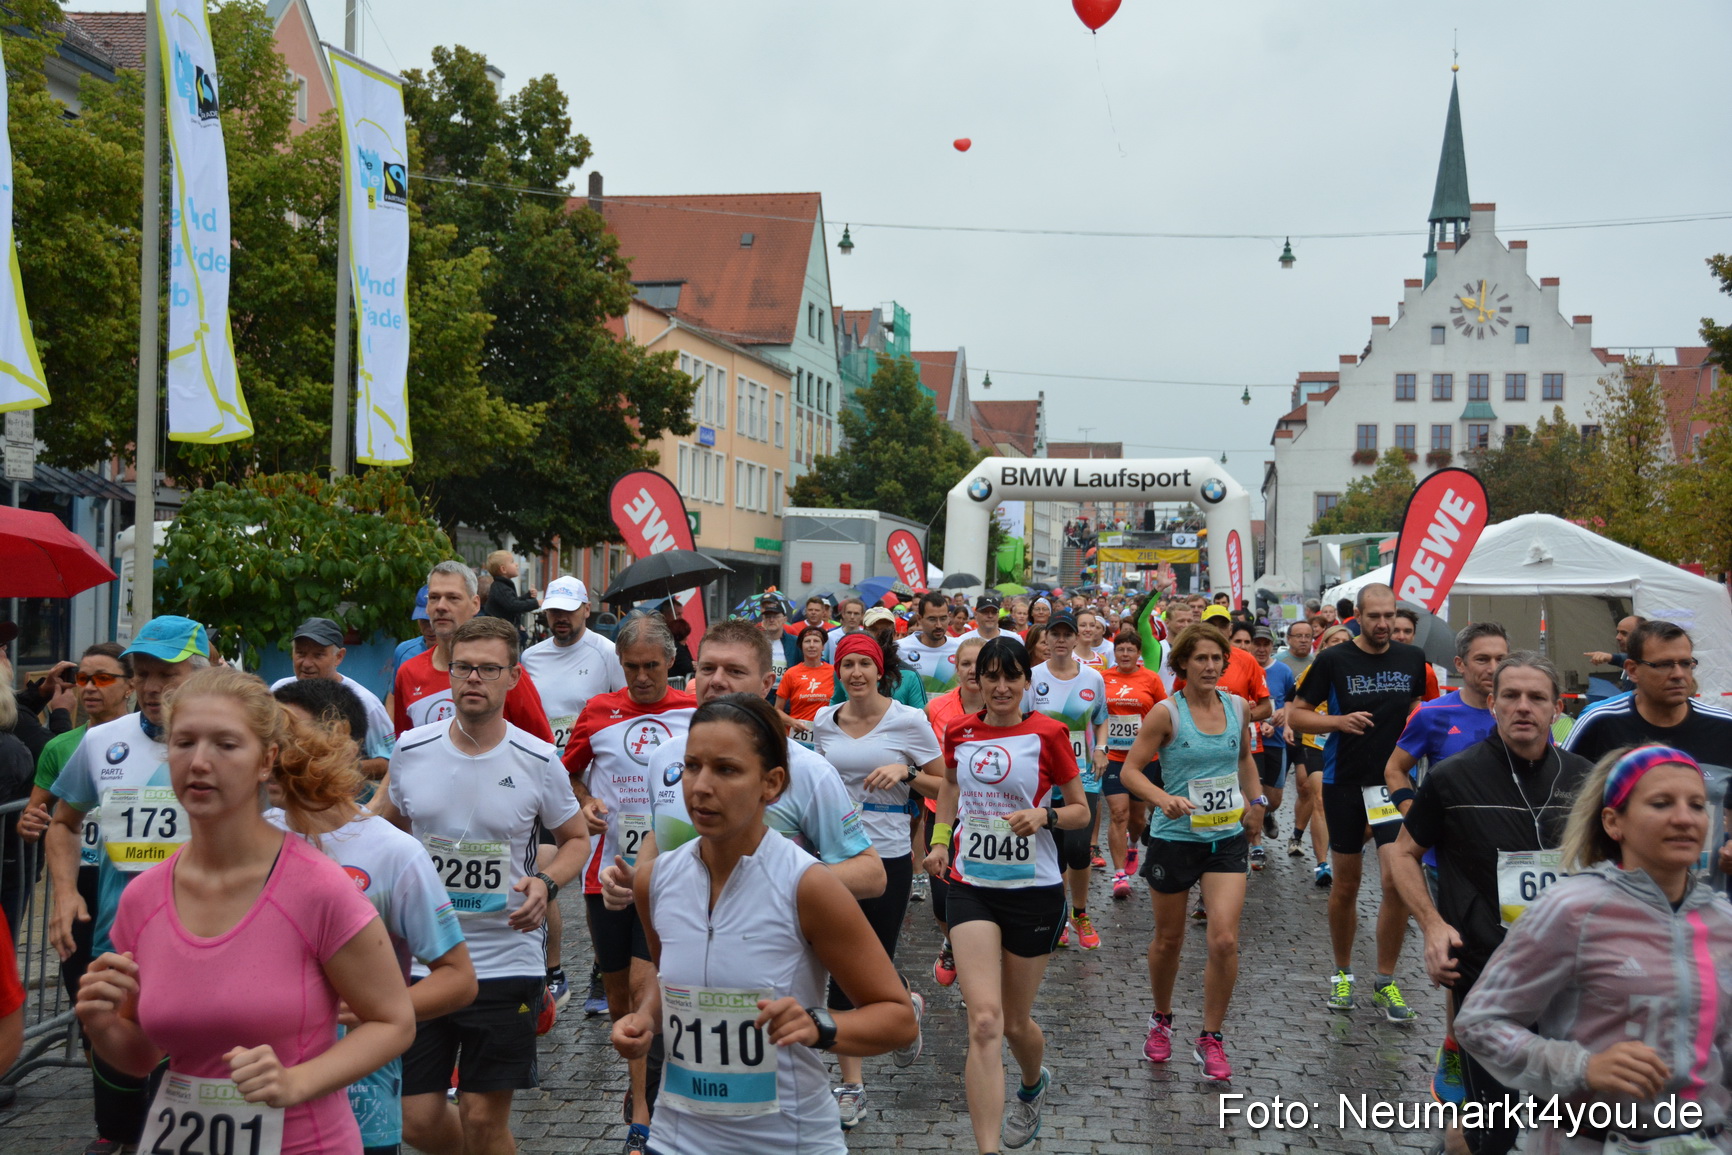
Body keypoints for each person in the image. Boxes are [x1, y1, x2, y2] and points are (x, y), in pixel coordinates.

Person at [75, 667, 416, 1155]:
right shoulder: (143, 898)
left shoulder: (319, 888)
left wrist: (297, 1083)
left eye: (226, 745)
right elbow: (142, 1054)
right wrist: (103, 1024)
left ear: (266, 760)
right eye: (184, 742)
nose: (199, 762)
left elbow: (393, 1021)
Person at [597, 620, 887, 1120]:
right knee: (657, 1024)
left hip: (770, 973)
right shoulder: (668, 757)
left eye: (734, 670)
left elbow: (871, 872)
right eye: (707, 668)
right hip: (682, 941)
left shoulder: (807, 770)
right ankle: (645, 1124)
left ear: (767, 681)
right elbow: (658, 834)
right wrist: (635, 875)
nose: (716, 681)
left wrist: (779, 888)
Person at [611, 693, 917, 1155]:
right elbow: (670, 977)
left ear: (771, 784)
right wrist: (643, 1018)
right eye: (692, 766)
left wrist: (819, 1025)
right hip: (678, 1138)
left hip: (786, 1140)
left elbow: (897, 1020)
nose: (701, 786)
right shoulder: (654, 880)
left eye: (726, 769)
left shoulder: (807, 885)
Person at [374, 615, 590, 1155]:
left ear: (513, 677)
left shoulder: (538, 760)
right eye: (464, 667)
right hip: (427, 959)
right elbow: (386, 830)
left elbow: (576, 840)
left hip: (506, 957)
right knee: (417, 1120)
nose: (474, 678)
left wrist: (545, 882)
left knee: (481, 1116)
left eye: (488, 669)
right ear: (450, 676)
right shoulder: (411, 750)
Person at [1455, 745, 1732, 1155]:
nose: (1684, 818)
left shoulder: (1722, 921)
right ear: (1613, 822)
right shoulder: (1572, 909)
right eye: (1661, 803)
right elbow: (1479, 1024)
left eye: (1696, 805)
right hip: (1587, 1141)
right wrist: (1584, 1067)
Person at [1387, 653, 1592, 1155]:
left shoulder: (1586, 778)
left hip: (1571, 977)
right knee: (1491, 1133)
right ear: (1493, 704)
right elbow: (1404, 855)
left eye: (1537, 697)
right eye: (1512, 696)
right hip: (1485, 972)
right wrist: (1433, 925)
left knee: (1569, 1124)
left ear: (1556, 708)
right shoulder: (1453, 777)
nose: (1524, 707)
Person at [271, 676, 479, 1155]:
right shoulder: (252, 838)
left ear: (339, 742)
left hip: (359, 1103)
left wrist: (379, 1009)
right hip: (257, 1095)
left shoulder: (393, 852)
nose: (271, 754)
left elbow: (458, 979)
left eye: (286, 736)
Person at [43, 617, 209, 1153]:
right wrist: (66, 893)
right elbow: (64, 822)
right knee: (118, 1077)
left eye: (169, 674)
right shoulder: (103, 742)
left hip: (210, 940)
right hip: (123, 939)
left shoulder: (233, 743)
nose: (154, 686)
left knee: (188, 1083)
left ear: (202, 675)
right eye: (142, 674)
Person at [924, 636, 1090, 1154]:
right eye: (989, 676)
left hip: (1034, 891)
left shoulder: (1049, 733)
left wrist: (1046, 815)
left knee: (1016, 1023)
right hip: (972, 887)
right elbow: (949, 788)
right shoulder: (959, 732)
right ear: (976, 679)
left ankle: (1033, 1083)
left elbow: (1081, 809)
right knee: (985, 1020)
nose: (998, 686)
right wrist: (939, 840)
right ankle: (987, 1149)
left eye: (1009, 676)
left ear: (1025, 681)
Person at [562, 615, 696, 1155]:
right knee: (619, 998)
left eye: (651, 666)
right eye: (632, 667)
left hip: (673, 875)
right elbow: (565, 773)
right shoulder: (598, 713)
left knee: (647, 987)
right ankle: (638, 1078)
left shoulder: (694, 712)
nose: (642, 676)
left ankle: (645, 1115)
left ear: (669, 662)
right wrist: (585, 802)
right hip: (607, 877)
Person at [811, 632, 945, 1128]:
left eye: (864, 664)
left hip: (887, 855)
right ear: (838, 672)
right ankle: (852, 1085)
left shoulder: (908, 721)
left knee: (873, 959)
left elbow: (945, 783)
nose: (856, 674)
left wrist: (906, 773)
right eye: (846, 665)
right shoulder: (825, 722)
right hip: (834, 854)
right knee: (841, 965)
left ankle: (903, 1005)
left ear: (881, 670)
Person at [1120, 623, 1263, 1080]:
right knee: (1170, 939)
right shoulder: (1166, 713)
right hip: (1175, 838)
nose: (1209, 666)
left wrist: (1256, 801)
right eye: (1200, 658)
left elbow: (1243, 758)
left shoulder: (1238, 707)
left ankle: (1211, 1036)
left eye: (1217, 659)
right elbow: (1131, 771)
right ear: (1182, 663)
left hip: (1223, 838)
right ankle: (1161, 1019)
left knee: (1224, 938)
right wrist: (1163, 799)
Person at [1288, 584, 1427, 1020]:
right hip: (1345, 782)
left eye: (1390, 616)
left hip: (1392, 783)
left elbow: (1420, 705)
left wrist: (1418, 726)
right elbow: (1297, 713)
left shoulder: (1412, 658)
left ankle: (1386, 980)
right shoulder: (1334, 659)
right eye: (1375, 617)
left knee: (1395, 882)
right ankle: (1343, 972)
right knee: (1346, 885)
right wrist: (1337, 721)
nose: (1384, 624)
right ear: (1359, 618)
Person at [391, 560, 555, 743]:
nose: (441, 606)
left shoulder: (502, 672)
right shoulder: (408, 672)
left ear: (475, 604)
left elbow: (541, 749)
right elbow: (404, 751)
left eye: (453, 598)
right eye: (434, 597)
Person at [1027, 611, 1109, 950]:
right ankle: (1060, 915)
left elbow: (1102, 719)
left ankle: (1080, 912)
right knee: (1054, 853)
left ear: (1077, 639)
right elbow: (1021, 722)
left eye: (1067, 634)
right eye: (1054, 634)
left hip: (1082, 776)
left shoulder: (1092, 679)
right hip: (1044, 777)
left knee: (1078, 848)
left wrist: (1101, 748)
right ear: (1045, 639)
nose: (1061, 640)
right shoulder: (1032, 678)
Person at [1563, 619, 1732, 765]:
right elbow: (1559, 786)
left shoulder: (1723, 726)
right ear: (1633, 670)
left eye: (1686, 663)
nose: (1678, 674)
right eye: (1664, 665)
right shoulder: (1600, 722)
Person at [268, 617, 396, 779]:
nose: (306, 663)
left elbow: (391, 762)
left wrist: (335, 768)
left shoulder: (364, 702)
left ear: (339, 657)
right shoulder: (280, 691)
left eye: (318, 655)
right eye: (300, 653)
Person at [519, 575, 624, 758]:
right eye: (554, 611)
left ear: (587, 610)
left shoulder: (608, 652)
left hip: (588, 764)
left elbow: (626, 708)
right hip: (543, 762)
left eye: (569, 610)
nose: (561, 618)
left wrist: (592, 722)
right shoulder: (530, 657)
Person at [1102, 627, 1168, 899]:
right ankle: (1119, 875)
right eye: (1121, 649)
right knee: (1119, 813)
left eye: (1131, 649)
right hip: (1113, 758)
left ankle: (1133, 843)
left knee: (1138, 819)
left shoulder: (1151, 679)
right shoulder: (1102, 678)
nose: (1125, 654)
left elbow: (1164, 712)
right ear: (1114, 652)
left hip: (1143, 758)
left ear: (1139, 653)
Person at [1250, 625, 1296, 856]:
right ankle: (1254, 846)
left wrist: (1284, 715)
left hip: (1276, 741)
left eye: (1265, 644)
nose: (1261, 649)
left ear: (1272, 646)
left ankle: (1268, 815)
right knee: (1254, 795)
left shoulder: (1283, 671)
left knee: (1274, 799)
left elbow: (1292, 702)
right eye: (1256, 643)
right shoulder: (1244, 669)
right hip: (1249, 742)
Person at [776, 625, 835, 739]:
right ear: (801, 646)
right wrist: (792, 722)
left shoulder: (834, 672)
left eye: (816, 641)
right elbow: (777, 710)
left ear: (823, 647)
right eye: (807, 641)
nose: (812, 645)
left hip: (826, 735)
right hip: (798, 737)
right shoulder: (791, 673)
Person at [898, 591, 961, 698]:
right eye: (932, 619)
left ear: (949, 617)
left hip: (949, 714)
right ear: (919, 619)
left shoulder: (960, 648)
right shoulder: (900, 648)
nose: (939, 625)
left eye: (943, 618)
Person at [1584, 613, 1645, 694]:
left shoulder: (1646, 663)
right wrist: (1610, 657)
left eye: (1624, 633)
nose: (1618, 637)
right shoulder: (1631, 660)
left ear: (1641, 636)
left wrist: (1611, 657)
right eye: (1618, 632)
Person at [480, 549, 542, 626]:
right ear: (503, 569)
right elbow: (513, 605)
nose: (516, 564)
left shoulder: (503, 585)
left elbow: (513, 601)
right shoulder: (499, 587)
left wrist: (528, 595)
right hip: (498, 630)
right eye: (512, 562)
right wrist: (536, 603)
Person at [392, 585, 437, 682]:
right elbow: (395, 694)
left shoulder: (461, 652)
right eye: (424, 621)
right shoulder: (404, 651)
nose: (430, 629)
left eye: (434, 621)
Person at [757, 596, 801, 679]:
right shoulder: (755, 642)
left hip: (787, 689)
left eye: (776, 616)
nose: (771, 620)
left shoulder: (795, 643)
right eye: (768, 616)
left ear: (784, 619)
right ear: (763, 619)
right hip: (762, 689)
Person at [824, 598, 867, 663]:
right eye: (849, 613)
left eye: (856, 613)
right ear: (843, 614)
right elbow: (824, 660)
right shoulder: (830, 636)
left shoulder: (867, 636)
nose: (852, 617)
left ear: (862, 616)